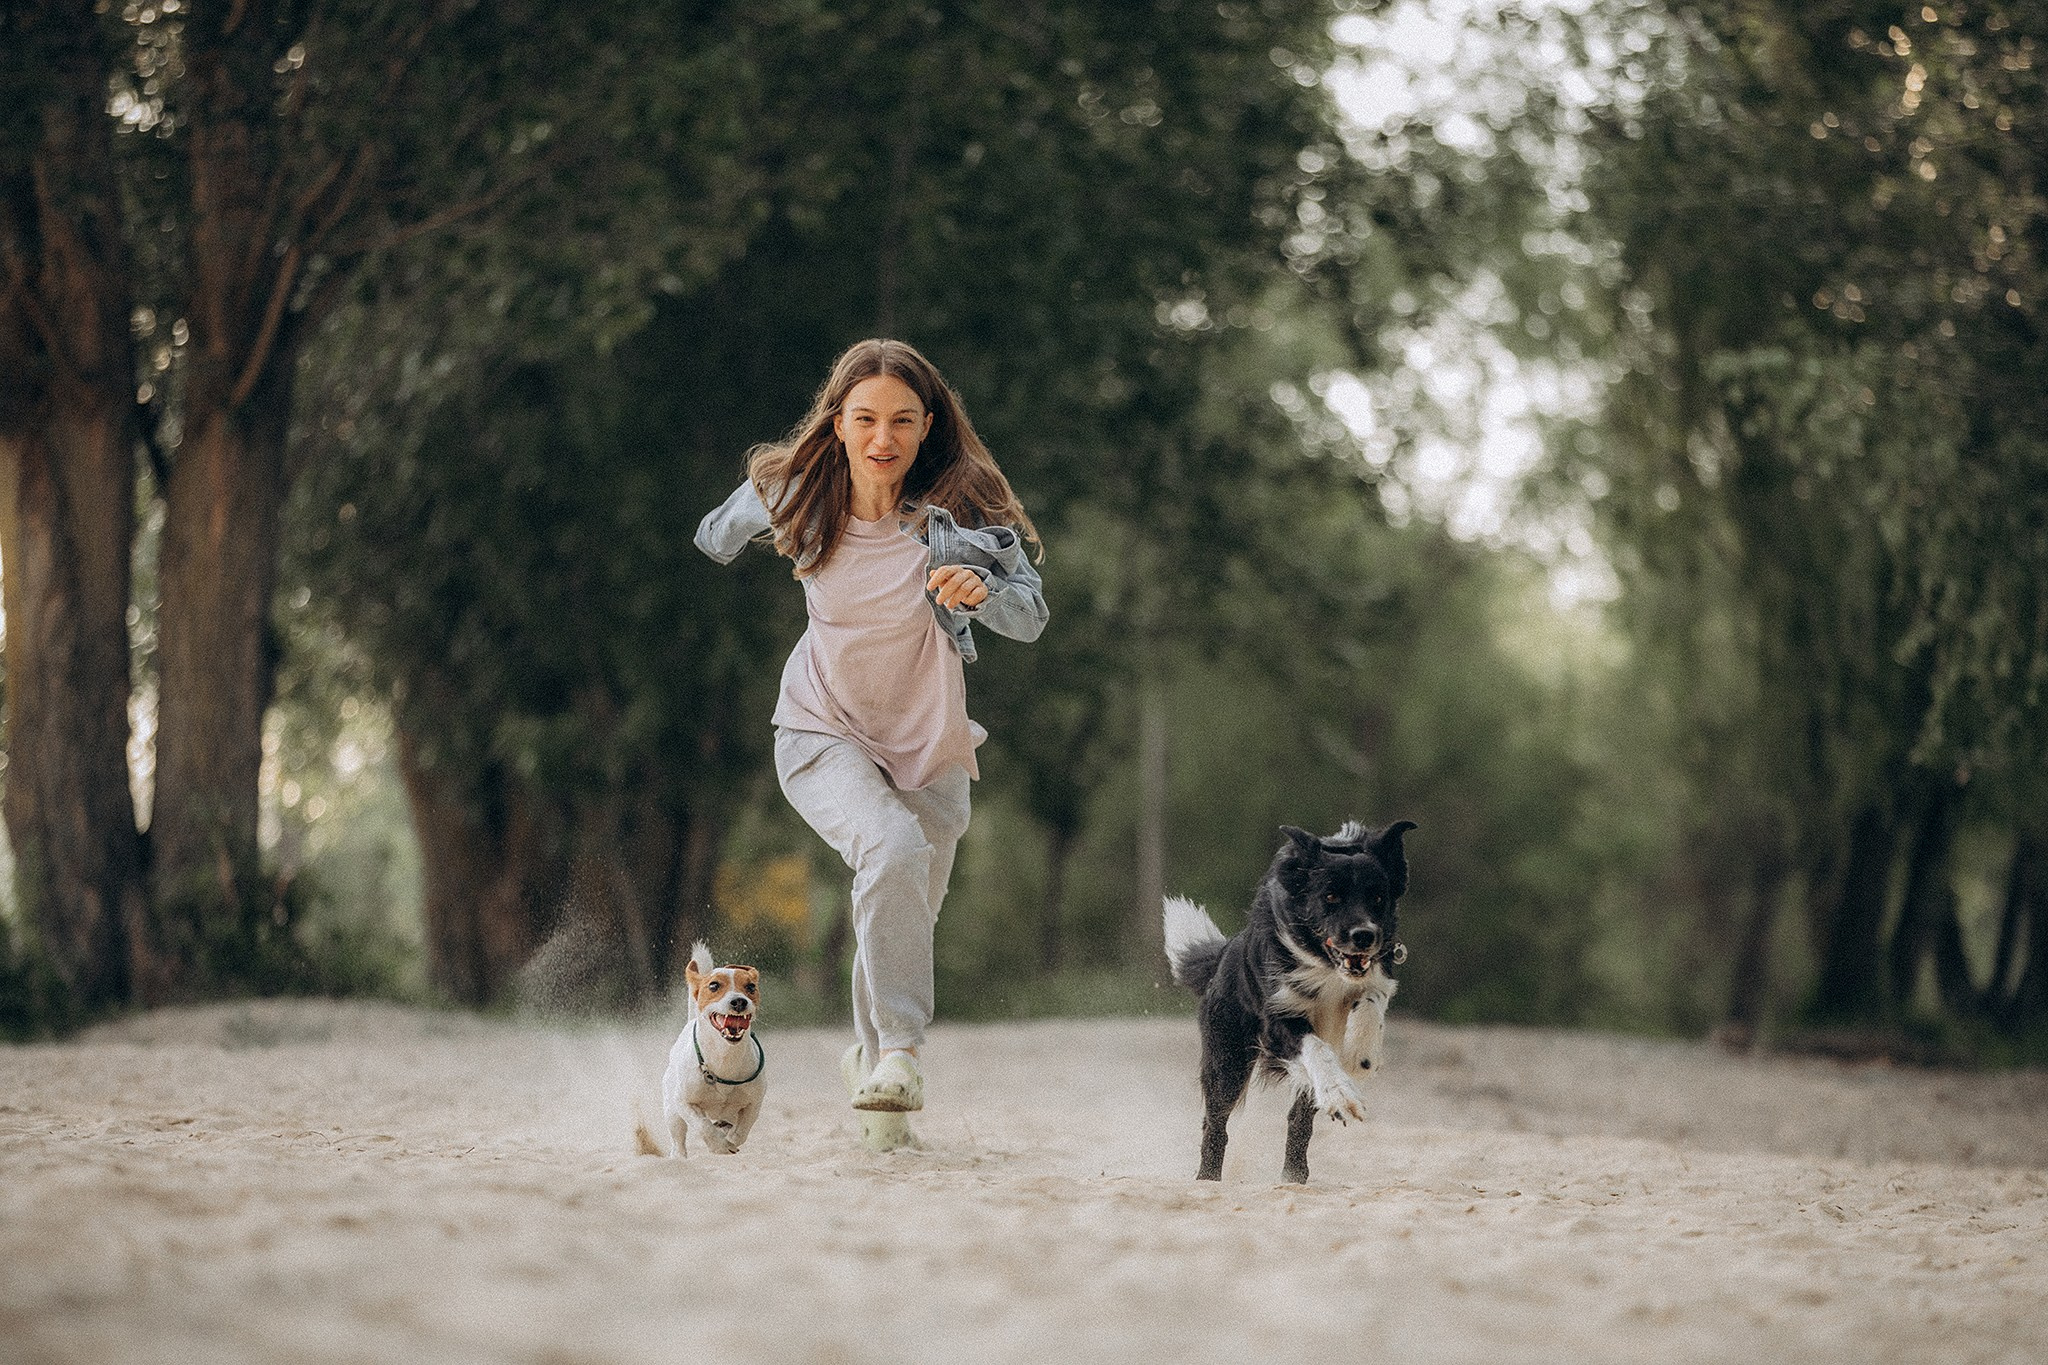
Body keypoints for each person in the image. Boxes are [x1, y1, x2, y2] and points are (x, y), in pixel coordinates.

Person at [694, 338, 1047, 1151]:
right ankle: (902, 1054)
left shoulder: (959, 511)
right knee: (888, 849)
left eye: (900, 421)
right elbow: (715, 534)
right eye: (862, 420)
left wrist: (985, 587)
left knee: (904, 908)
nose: (881, 438)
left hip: (928, 742)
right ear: (839, 422)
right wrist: (759, 499)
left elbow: (1029, 614)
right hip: (821, 728)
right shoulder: (801, 491)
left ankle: (874, 1077)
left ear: (927, 427)